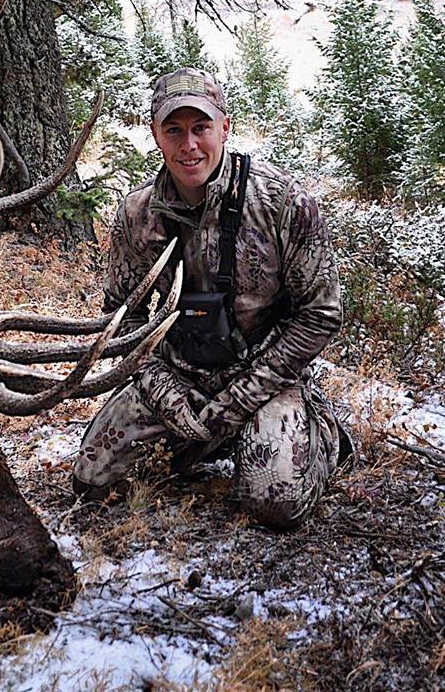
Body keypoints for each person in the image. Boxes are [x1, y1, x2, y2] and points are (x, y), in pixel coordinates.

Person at [73, 67, 351, 529]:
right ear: (155, 134)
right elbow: (123, 318)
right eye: (174, 130)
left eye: (201, 127)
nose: (189, 146)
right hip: (179, 375)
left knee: (275, 504)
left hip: (265, 376)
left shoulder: (283, 202)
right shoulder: (135, 215)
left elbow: (320, 314)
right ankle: (208, 437)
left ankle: (322, 436)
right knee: (91, 484)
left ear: (225, 126)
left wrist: (242, 398)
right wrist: (165, 393)